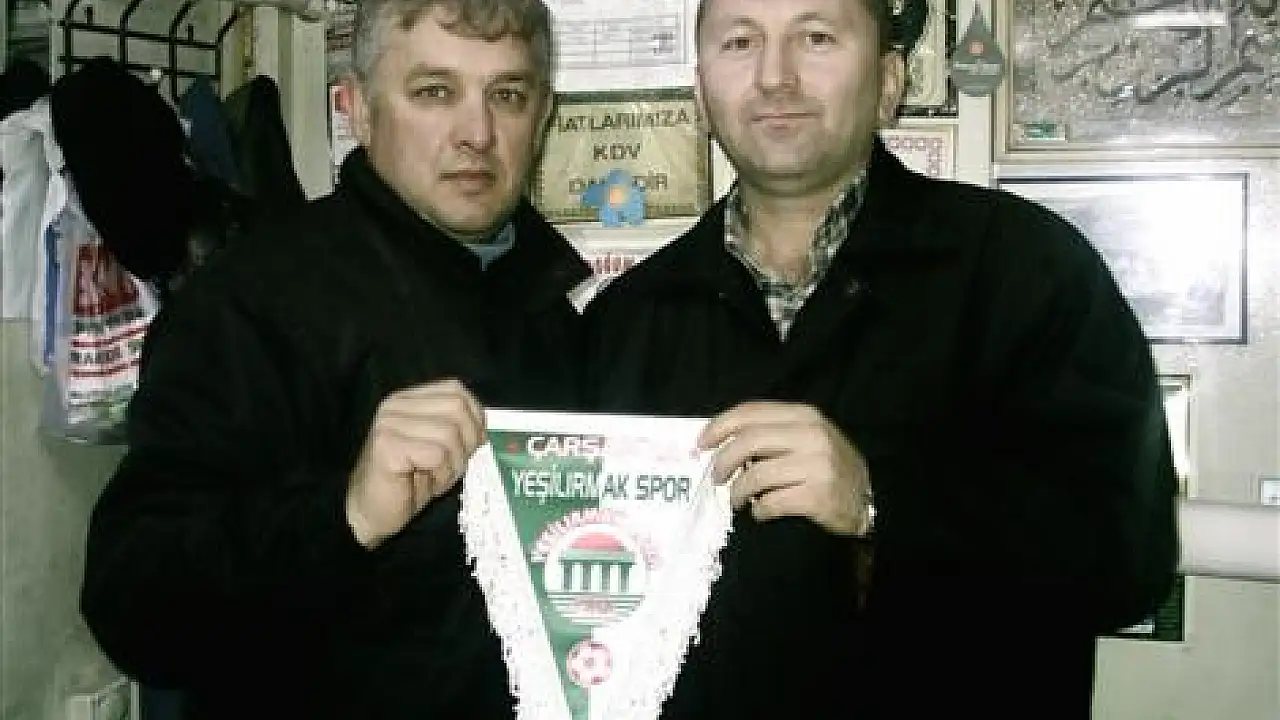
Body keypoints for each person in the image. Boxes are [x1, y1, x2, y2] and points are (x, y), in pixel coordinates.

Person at [584, 0, 1181, 717]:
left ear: (890, 80)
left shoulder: (1027, 269)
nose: (774, 76)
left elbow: (1128, 561)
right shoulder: (627, 319)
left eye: (816, 37)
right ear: (701, 92)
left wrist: (879, 502)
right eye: (740, 42)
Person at [79, 1, 589, 717]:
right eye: (434, 92)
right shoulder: (251, 300)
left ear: (543, 117)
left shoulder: (554, 314)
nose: (477, 133)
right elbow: (131, 599)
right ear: (358, 110)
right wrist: (344, 515)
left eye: (507, 95)